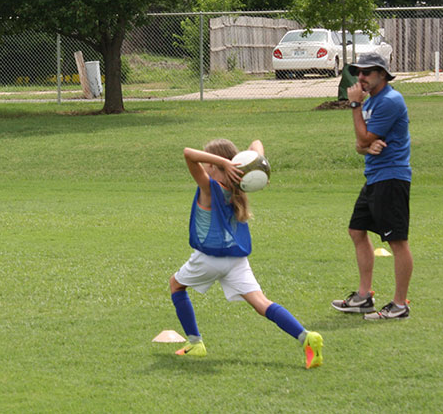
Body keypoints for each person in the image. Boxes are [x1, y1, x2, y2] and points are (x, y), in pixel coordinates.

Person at [169, 138, 323, 369]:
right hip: (236, 259)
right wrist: (253, 164)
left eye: (209, 161)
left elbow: (188, 153)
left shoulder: (209, 187)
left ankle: (196, 343)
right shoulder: (239, 186)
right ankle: (305, 337)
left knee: (176, 285)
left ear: (212, 166)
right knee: (262, 303)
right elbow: (256, 143)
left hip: (209, 259)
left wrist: (223, 161)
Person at [332, 51, 413, 320]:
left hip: (391, 177)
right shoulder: (373, 102)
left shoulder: (389, 100)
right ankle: (364, 296)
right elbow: (360, 145)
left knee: (396, 241)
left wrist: (354, 107)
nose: (360, 78)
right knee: (356, 230)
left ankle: (400, 304)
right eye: (358, 73)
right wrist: (366, 146)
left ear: (382, 73)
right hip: (375, 177)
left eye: (366, 72)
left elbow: (364, 136)